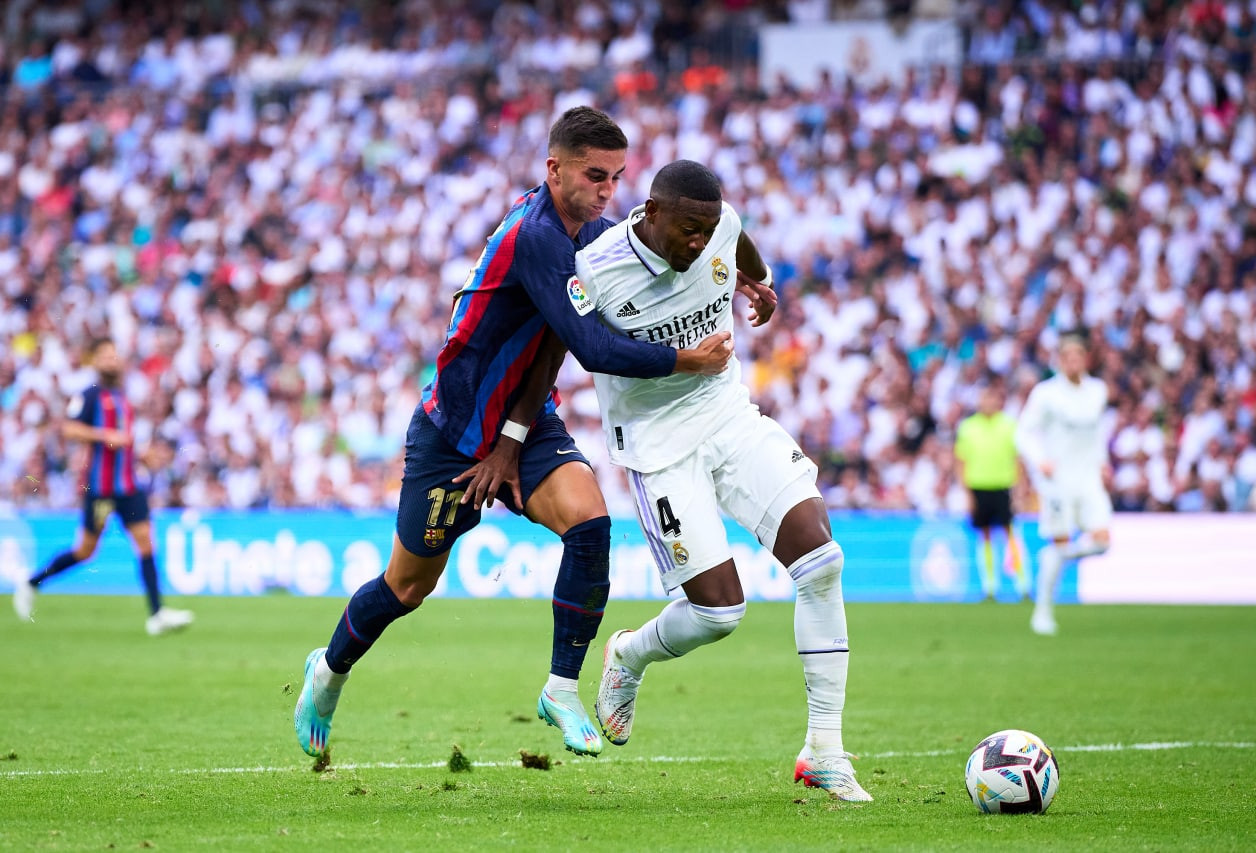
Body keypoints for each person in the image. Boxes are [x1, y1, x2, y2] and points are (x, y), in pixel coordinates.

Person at [293, 108, 736, 761]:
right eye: (594, 175)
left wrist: (744, 275)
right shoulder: (538, 237)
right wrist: (688, 360)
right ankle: (327, 673)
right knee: (408, 587)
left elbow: (576, 320)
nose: (607, 190)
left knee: (589, 525)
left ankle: (560, 688)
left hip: (522, 426)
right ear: (553, 169)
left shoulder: (587, 230)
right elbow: (588, 342)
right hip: (453, 433)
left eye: (616, 178)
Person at [579, 160, 871, 802]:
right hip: (658, 449)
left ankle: (824, 748)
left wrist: (758, 281)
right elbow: (585, 351)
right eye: (688, 230)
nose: (698, 242)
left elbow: (734, 234)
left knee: (821, 561)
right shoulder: (598, 269)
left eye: (706, 230)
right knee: (719, 612)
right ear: (653, 213)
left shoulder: (718, 227)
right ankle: (627, 655)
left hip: (728, 414)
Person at [12, 337, 194, 636]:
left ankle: (157, 613)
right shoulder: (90, 395)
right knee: (85, 551)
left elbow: (122, 442)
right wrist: (103, 434)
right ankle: (31, 582)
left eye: (114, 354)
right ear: (95, 361)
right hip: (102, 488)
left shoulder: (122, 397)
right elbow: (70, 429)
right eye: (105, 355)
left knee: (146, 541)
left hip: (129, 486)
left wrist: (142, 454)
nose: (112, 359)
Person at [1014, 334, 1112, 636]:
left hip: (1088, 478)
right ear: (1059, 360)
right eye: (1067, 356)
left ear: (1086, 359)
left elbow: (1096, 433)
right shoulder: (1046, 394)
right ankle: (1043, 611)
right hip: (1057, 482)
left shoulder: (1097, 390)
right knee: (1060, 540)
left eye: (1078, 356)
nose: (1073, 362)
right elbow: (1022, 433)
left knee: (1102, 542)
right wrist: (1039, 460)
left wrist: (1103, 461)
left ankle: (1056, 556)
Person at [954, 383, 1028, 601]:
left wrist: (1020, 487)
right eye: (985, 398)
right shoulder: (968, 427)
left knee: (1011, 534)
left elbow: (1018, 458)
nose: (988, 403)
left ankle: (1022, 586)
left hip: (1003, 486)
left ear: (999, 401)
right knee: (984, 535)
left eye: (992, 398)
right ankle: (990, 587)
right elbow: (961, 461)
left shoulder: (1009, 425)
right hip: (978, 486)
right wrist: (966, 492)